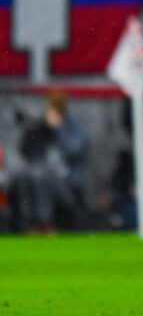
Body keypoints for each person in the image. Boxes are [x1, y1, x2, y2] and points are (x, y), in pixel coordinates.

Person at [16, 90, 88, 232]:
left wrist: (58, 129)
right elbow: (26, 151)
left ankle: (43, 223)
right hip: (41, 178)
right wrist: (32, 129)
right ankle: (28, 222)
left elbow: (76, 151)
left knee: (40, 176)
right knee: (25, 177)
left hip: (67, 181)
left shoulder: (72, 127)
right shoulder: (41, 127)